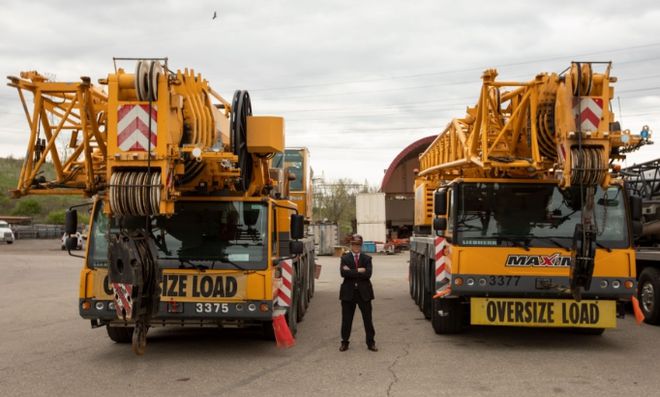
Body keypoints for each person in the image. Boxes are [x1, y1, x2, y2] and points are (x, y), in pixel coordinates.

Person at [339, 234, 377, 352]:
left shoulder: (367, 259)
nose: (356, 247)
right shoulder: (345, 258)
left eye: (358, 245)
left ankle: (371, 343)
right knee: (346, 320)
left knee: (367, 319)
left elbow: (368, 274)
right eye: (354, 245)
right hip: (348, 293)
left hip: (364, 293)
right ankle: (345, 342)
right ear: (351, 245)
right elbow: (343, 274)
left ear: (361, 246)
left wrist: (351, 271)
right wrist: (358, 270)